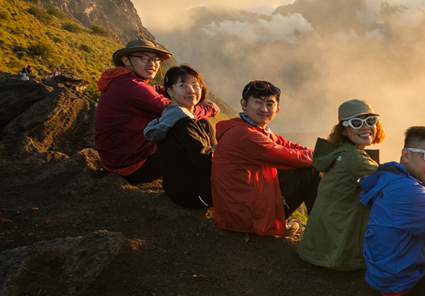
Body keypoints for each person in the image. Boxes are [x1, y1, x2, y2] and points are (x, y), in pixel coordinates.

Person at [93, 39, 217, 184]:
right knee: (195, 124)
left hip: (119, 159)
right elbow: (178, 111)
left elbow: (153, 90)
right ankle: (213, 169)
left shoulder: (122, 80)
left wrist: (179, 90)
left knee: (196, 125)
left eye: (155, 59)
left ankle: (212, 164)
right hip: (133, 167)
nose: (152, 63)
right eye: (144, 58)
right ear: (126, 60)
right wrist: (209, 108)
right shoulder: (131, 88)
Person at [212, 80, 319, 237]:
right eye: (258, 102)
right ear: (243, 104)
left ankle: (317, 233)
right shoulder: (244, 134)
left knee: (308, 163)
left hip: (240, 210)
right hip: (248, 219)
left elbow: (288, 145)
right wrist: (324, 156)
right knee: (312, 170)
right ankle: (321, 237)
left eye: (270, 104)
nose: (264, 109)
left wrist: (320, 152)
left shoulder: (252, 128)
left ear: (277, 110)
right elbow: (287, 156)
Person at [358, 126, 425, 296]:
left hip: (387, 276)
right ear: (406, 155)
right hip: (404, 287)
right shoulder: (406, 191)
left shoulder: (393, 178)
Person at [297, 100, 383, 270]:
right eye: (356, 122)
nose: (365, 127)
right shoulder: (355, 159)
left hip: (318, 247)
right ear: (344, 130)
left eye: (370, 121)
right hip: (336, 252)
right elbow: (393, 183)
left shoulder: (341, 152)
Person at [143, 65, 215, 209]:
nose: (191, 90)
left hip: (178, 189)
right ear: (169, 90)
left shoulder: (173, 116)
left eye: (195, 85)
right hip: (194, 194)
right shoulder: (182, 124)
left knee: (206, 124)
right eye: (183, 85)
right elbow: (207, 162)